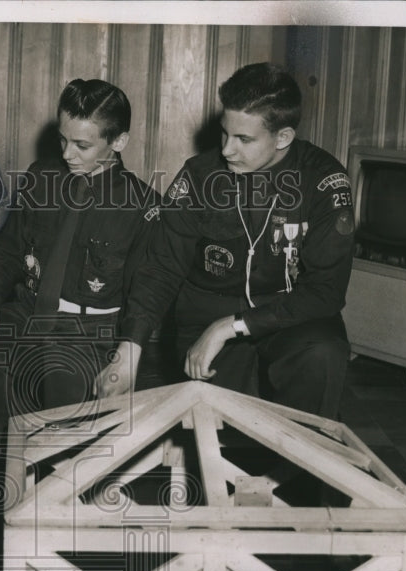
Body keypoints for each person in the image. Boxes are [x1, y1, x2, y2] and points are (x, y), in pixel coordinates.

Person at [110, 62, 354, 420]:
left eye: (244, 139)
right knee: (221, 431)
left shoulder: (323, 180)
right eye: (225, 134)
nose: (226, 150)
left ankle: (300, 472)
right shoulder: (199, 175)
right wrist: (130, 347)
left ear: (283, 138)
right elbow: (161, 265)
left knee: (323, 353)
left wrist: (230, 327)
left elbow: (326, 292)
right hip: (207, 310)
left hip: (288, 314)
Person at [0, 78, 160, 468]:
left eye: (82, 145)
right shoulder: (41, 178)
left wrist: (126, 351)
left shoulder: (143, 208)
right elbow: (7, 251)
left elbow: (145, 294)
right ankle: (3, 465)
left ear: (119, 142)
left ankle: (56, 485)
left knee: (60, 372)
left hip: (89, 332)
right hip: (28, 312)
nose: (67, 154)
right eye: (63, 140)